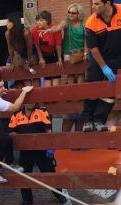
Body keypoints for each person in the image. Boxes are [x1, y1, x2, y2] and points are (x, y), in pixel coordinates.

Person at [82, 0, 121, 133]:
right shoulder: (91, 22)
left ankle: (99, 121)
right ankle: (87, 120)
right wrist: (103, 67)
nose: (93, 6)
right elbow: (93, 48)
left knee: (111, 89)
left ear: (107, 3)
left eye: (96, 3)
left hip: (118, 56)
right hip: (98, 58)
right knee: (91, 85)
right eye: (93, 3)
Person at [8, 102, 66, 205]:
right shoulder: (16, 114)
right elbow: (11, 132)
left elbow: (48, 130)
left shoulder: (42, 111)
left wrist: (50, 148)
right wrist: (23, 140)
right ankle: (27, 199)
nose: (32, 103)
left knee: (49, 172)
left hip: (41, 149)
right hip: (25, 150)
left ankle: (59, 194)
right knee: (24, 174)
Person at [45, 3, 87, 132]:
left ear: (78, 14)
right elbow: (58, 27)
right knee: (69, 77)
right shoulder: (66, 22)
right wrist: (50, 30)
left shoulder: (83, 24)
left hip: (80, 53)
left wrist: (85, 51)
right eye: (69, 12)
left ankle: (78, 101)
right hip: (68, 53)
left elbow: (86, 38)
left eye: (73, 13)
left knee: (80, 77)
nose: (70, 14)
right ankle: (70, 102)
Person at [32, 10, 63, 86]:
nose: (38, 22)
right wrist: (41, 58)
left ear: (47, 21)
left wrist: (59, 58)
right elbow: (37, 45)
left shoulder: (54, 29)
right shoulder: (35, 31)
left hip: (55, 53)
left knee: (56, 83)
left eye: (41, 20)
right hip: (44, 55)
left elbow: (58, 45)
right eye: (37, 20)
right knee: (47, 84)